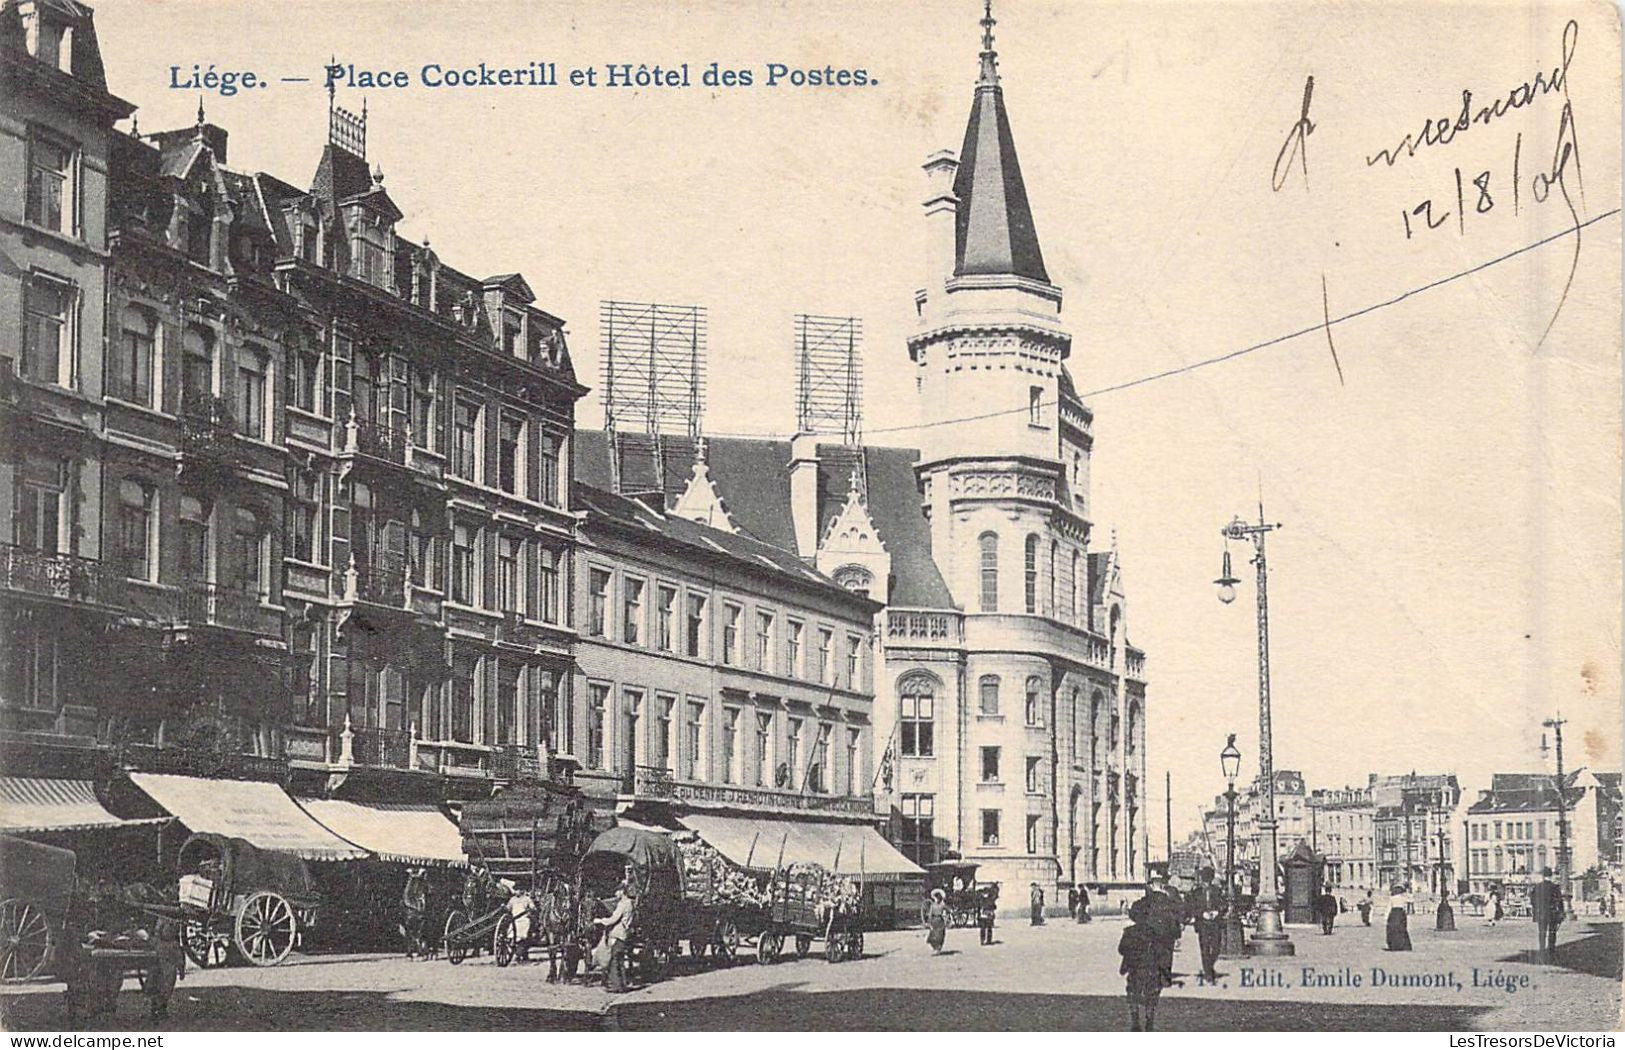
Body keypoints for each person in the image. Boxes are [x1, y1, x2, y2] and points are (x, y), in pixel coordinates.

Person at [1119, 897, 1164, 1032]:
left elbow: (1121, 949)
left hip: (1134, 968)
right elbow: (1160, 951)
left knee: (1133, 993)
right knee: (1151, 995)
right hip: (1151, 968)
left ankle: (1135, 1021)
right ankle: (1149, 1020)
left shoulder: (1129, 932)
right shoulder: (1154, 932)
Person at [1143, 872, 1183, 987]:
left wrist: (1179, 924)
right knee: (1159, 953)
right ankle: (1160, 977)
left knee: (1165, 953)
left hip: (1166, 928)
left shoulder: (1172, 892)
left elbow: (1179, 909)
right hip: (1159, 928)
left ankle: (1163, 978)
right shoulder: (1150, 894)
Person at [595, 879, 635, 992]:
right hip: (624, 934)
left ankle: (616, 986)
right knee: (620, 961)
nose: (615, 894)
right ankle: (622, 985)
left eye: (617, 892)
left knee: (614, 960)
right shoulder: (630, 903)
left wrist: (600, 921)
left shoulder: (623, 904)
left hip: (618, 934)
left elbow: (613, 919)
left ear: (622, 891)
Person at [1191, 867, 1224, 985]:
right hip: (1203, 923)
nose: (1206, 882)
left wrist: (1217, 912)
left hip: (1215, 922)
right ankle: (1208, 973)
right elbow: (1192, 907)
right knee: (1205, 948)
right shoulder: (1196, 892)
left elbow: (1223, 904)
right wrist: (1202, 913)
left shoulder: (1217, 891)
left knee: (1216, 947)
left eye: (1208, 879)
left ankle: (1208, 967)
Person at [1531, 867, 1563, 958]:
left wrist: (1536, 909)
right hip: (1552, 912)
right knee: (1552, 932)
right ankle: (1551, 950)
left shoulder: (1537, 887)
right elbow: (1559, 901)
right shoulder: (1554, 887)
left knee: (1542, 932)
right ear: (1551, 875)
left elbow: (1533, 900)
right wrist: (1561, 912)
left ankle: (1541, 950)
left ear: (1543, 876)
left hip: (1541, 912)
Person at [1385, 883, 1412, 951]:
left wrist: (1386, 917)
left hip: (1394, 914)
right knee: (1401, 929)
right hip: (1401, 914)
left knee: (1393, 929)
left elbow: (1388, 908)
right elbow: (1410, 901)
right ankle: (1402, 945)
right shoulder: (1403, 898)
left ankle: (1394, 945)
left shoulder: (1392, 898)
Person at [927, 887, 949, 953]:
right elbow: (930, 914)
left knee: (939, 935)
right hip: (936, 920)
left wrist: (946, 918)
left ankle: (938, 948)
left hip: (938, 920)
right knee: (935, 935)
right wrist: (929, 921)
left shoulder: (941, 905)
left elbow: (947, 911)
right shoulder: (934, 905)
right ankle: (936, 948)